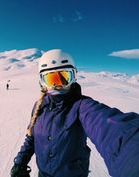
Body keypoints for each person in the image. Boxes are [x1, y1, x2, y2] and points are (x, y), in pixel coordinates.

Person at [10, 49, 139, 177]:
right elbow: (31, 138)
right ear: (42, 82)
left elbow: (114, 130)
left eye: (64, 77)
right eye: (51, 79)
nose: (58, 85)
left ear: (74, 77)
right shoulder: (39, 107)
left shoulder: (82, 107)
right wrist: (20, 163)